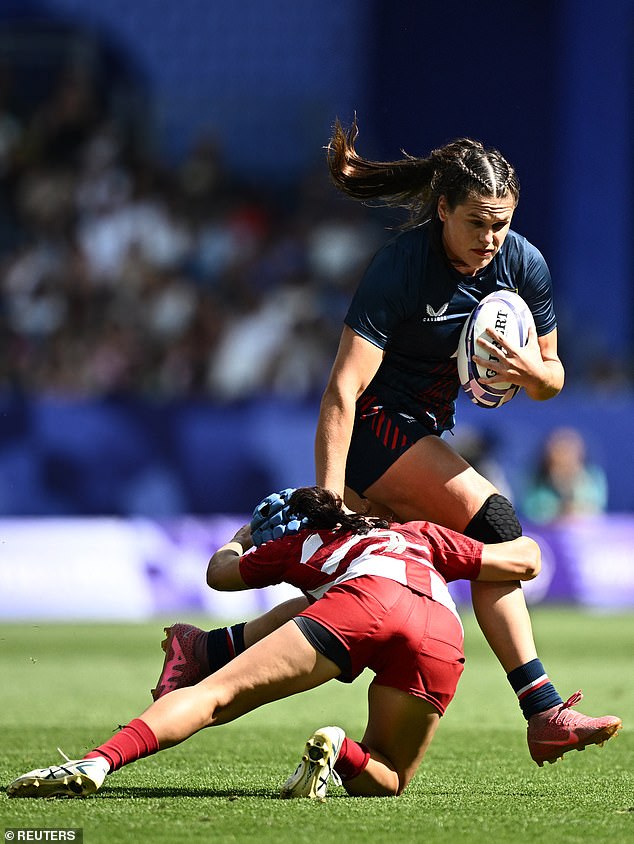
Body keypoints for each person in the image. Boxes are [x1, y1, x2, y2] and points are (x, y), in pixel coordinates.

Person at [148, 119, 620, 766]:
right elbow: (342, 392)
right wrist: (329, 497)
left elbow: (553, 377)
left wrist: (534, 373)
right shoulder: (400, 269)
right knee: (497, 524)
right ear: (443, 209)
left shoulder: (522, 263)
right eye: (477, 222)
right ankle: (544, 711)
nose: (491, 239)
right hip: (375, 430)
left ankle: (206, 652)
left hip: (421, 432)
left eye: (502, 223)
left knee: (358, 592)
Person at [7, 486, 561, 800]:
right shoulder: (414, 531)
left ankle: (98, 763)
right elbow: (527, 560)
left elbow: (218, 574)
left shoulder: (295, 546)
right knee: (389, 777)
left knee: (215, 697)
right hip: (441, 630)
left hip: (363, 604)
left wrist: (239, 539)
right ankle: (339, 747)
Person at [521, 426, 608, 523]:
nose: (564, 456)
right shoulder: (538, 479)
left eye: (569, 451)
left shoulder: (593, 475)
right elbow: (533, 510)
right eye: (559, 451)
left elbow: (594, 506)